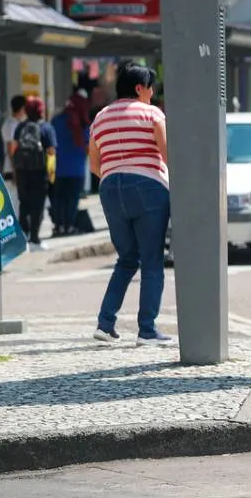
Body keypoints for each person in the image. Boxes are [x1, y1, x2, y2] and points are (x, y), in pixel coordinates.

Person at [89, 63, 172, 345]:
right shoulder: (152, 113)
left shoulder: (100, 117)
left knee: (126, 259)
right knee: (151, 260)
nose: (152, 93)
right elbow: (166, 151)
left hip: (110, 188)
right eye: (151, 88)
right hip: (148, 186)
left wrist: (117, 175)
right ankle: (147, 329)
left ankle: (105, 323)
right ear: (139, 88)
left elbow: (94, 163)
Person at [10, 97, 57, 251]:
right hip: (39, 173)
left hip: (23, 172)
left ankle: (24, 238)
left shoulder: (20, 127)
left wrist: (16, 169)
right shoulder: (46, 128)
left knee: (24, 204)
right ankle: (35, 239)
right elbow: (51, 152)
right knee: (38, 206)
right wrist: (51, 174)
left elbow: (13, 149)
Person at [51, 91, 91, 236]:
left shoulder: (57, 120)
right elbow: (88, 148)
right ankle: (69, 226)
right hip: (77, 168)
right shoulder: (83, 122)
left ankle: (58, 226)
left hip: (59, 168)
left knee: (59, 198)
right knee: (72, 199)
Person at [0, 95, 26, 186]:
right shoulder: (12, 125)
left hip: (13, 170)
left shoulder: (13, 123)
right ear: (22, 108)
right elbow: (11, 149)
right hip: (12, 172)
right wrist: (16, 171)